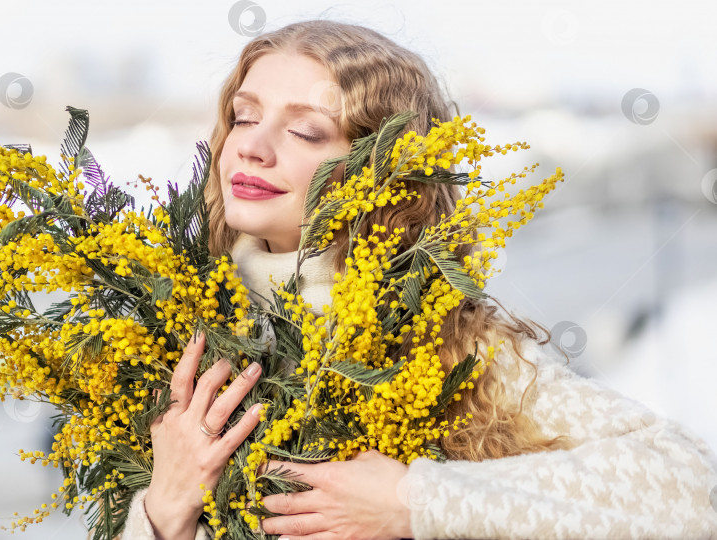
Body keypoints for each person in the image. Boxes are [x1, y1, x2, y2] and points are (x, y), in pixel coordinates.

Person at [120, 19, 717, 540]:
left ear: (385, 172)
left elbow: (689, 489)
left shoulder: (446, 346)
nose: (252, 145)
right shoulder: (158, 334)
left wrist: (414, 501)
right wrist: (163, 511)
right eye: (243, 116)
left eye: (305, 131)